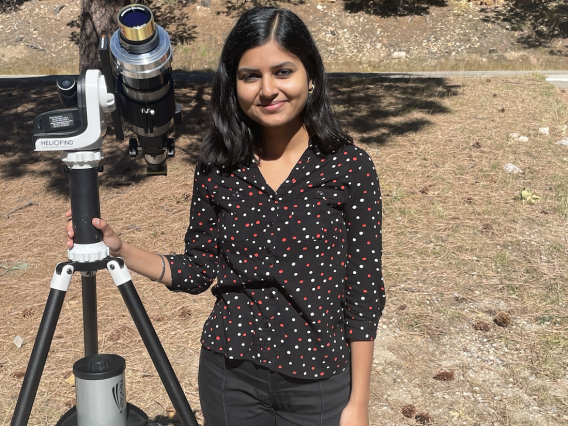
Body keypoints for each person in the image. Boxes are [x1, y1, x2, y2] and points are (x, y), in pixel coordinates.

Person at [66, 7, 384, 426]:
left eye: (283, 71)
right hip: (229, 373)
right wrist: (119, 248)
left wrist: (358, 401)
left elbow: (364, 291)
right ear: (233, 86)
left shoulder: (349, 167)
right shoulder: (218, 168)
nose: (268, 89)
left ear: (312, 77)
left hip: (318, 380)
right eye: (250, 76)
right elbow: (198, 270)